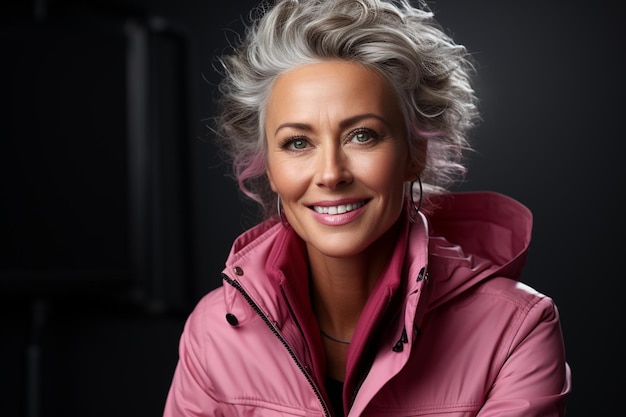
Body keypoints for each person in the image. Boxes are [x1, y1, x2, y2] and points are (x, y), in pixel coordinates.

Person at [163, 0, 571, 415]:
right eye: (298, 143)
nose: (331, 173)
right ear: (269, 166)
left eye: (362, 135)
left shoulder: (516, 328)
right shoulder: (215, 332)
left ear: (415, 154)